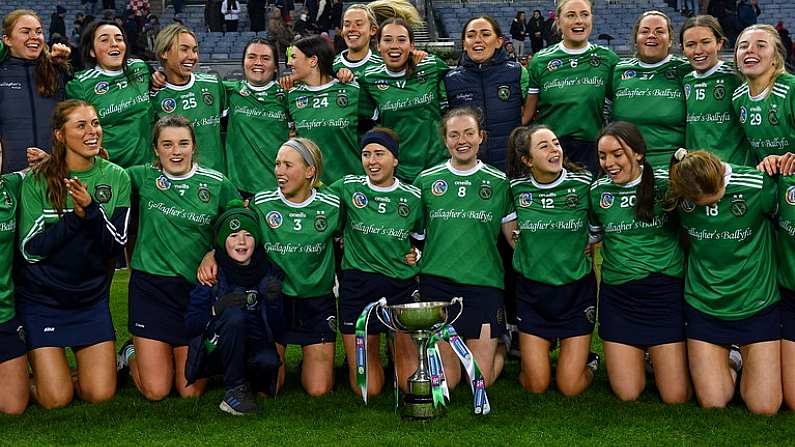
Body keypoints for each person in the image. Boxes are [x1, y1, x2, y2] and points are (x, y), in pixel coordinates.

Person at [16, 100, 130, 409]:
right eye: (81, 125)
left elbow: (115, 246)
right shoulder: (36, 180)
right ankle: (23, 378)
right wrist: (74, 219)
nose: (92, 131)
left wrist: (91, 211)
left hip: (89, 301)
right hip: (44, 301)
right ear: (60, 135)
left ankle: (84, 368)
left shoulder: (117, 177)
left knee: (99, 394)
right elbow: (30, 250)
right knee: (56, 399)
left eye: (95, 123)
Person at [118, 115, 240, 402]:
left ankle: (174, 353)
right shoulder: (141, 177)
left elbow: (241, 224)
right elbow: (99, 173)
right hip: (151, 288)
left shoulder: (216, 183)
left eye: (183, 143)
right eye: (168, 144)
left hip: (194, 292)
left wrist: (215, 252)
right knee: (157, 391)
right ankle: (131, 352)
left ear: (194, 147)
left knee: (190, 391)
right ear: (156, 149)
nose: (176, 151)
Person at [667, 148, 781, 415]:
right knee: (714, 401)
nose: (710, 208)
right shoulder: (677, 189)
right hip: (704, 303)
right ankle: (731, 357)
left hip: (756, 302)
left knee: (765, 407)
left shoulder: (756, 184)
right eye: (701, 204)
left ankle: (742, 357)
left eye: (714, 199)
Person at [591, 121, 690, 403]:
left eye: (617, 154)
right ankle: (644, 357)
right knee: (628, 393)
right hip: (619, 296)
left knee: (676, 396)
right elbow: (590, 239)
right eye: (602, 156)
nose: (609, 163)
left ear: (638, 153)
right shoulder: (598, 192)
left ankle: (658, 356)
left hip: (663, 293)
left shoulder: (667, 184)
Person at [415, 107, 514, 388]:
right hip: (439, 285)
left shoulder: (498, 183)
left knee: (479, 381)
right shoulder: (427, 181)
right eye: (454, 134)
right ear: (445, 140)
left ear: (481, 137)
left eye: (469, 133)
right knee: (447, 380)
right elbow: (415, 235)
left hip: (483, 285)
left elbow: (513, 238)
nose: (462, 140)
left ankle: (503, 345)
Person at [505, 125, 598, 397]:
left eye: (556, 143)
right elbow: (511, 234)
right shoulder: (514, 190)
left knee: (569, 386)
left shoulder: (583, 184)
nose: (554, 150)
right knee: (537, 384)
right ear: (527, 160)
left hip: (575, 291)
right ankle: (537, 349)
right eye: (544, 146)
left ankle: (589, 361)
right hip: (533, 294)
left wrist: (591, 243)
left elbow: (601, 223)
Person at [329, 128, 423, 395]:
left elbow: (422, 239)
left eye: (379, 154)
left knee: (410, 385)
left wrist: (418, 254)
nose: (372, 161)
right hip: (358, 285)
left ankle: (398, 355)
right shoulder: (347, 188)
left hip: (399, 286)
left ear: (395, 159)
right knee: (367, 389)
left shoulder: (413, 197)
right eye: (366, 154)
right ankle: (374, 361)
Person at [247, 138, 341, 396]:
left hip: (316, 302)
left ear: (310, 171)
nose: (279, 171)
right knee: (268, 389)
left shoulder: (332, 206)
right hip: (275, 301)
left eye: (288, 165)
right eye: (277, 164)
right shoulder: (261, 203)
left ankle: (308, 361)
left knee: (319, 389)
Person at [184, 204, 283, 415]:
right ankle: (234, 390)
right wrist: (216, 309)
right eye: (233, 235)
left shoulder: (268, 269)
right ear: (222, 241)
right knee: (234, 317)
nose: (241, 241)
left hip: (254, 342)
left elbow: (278, 329)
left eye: (248, 234)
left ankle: (245, 377)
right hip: (216, 345)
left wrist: (273, 300)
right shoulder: (212, 271)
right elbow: (191, 325)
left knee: (269, 368)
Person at [524, 0, 619, 174]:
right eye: (571, 15)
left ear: (592, 19)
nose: (579, 21)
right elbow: (527, 114)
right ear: (558, 21)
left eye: (584, 14)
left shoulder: (608, 59)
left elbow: (619, 107)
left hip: (592, 149)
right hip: (550, 149)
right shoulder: (540, 60)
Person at [359, 18, 449, 182]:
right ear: (378, 46)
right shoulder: (368, 78)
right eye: (387, 40)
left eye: (401, 40)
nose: (394, 46)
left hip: (437, 164)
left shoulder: (433, 66)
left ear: (412, 45)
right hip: (398, 169)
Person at [444, 16, 528, 173]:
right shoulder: (449, 80)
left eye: (485, 34)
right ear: (464, 44)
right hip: (470, 169)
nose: (478, 40)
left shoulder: (517, 73)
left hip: (513, 167)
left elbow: (530, 114)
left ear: (498, 41)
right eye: (471, 35)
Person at [66, 21, 154, 168]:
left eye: (119, 39)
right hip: (108, 170)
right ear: (92, 51)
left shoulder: (141, 68)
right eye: (104, 40)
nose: (114, 44)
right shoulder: (80, 84)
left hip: (147, 168)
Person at [610, 11, 690, 168]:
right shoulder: (618, 71)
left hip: (674, 166)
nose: (651, 35)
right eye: (645, 31)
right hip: (627, 166)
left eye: (659, 31)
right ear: (635, 40)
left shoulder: (685, 70)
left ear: (670, 40)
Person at [287, 35, 371, 184]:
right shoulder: (291, 96)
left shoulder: (351, 90)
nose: (289, 63)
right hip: (313, 190)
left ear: (313, 61)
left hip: (352, 185)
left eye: (294, 57)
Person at [0, 10, 71, 174]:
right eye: (25, 31)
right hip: (9, 178)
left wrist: (62, 68)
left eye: (38, 31)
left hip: (53, 174)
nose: (34, 36)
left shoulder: (55, 71)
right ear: (7, 40)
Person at [151, 24, 227, 173]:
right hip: (173, 183)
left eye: (195, 50)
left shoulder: (212, 84)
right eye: (184, 49)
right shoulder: (152, 95)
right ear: (164, 52)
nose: (193, 57)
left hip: (216, 180)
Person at [681, 15, 750, 165]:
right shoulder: (686, 80)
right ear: (683, 49)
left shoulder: (737, 76)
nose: (698, 50)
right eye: (690, 44)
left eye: (705, 42)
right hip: (697, 170)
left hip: (733, 168)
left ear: (720, 43)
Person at [224, 38, 288, 197]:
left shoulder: (288, 96)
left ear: (275, 67)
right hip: (238, 188)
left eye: (265, 58)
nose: (258, 62)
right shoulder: (229, 92)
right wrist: (159, 75)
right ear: (244, 62)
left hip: (280, 188)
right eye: (251, 57)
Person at [732, 24, 795, 162]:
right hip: (767, 177)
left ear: (775, 58)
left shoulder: (791, 90)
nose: (749, 50)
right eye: (743, 46)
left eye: (760, 45)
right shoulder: (738, 97)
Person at [0, 149, 29, 415]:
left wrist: (48, 159)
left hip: (4, 314)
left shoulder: (9, 186)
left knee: (14, 407)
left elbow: (35, 171)